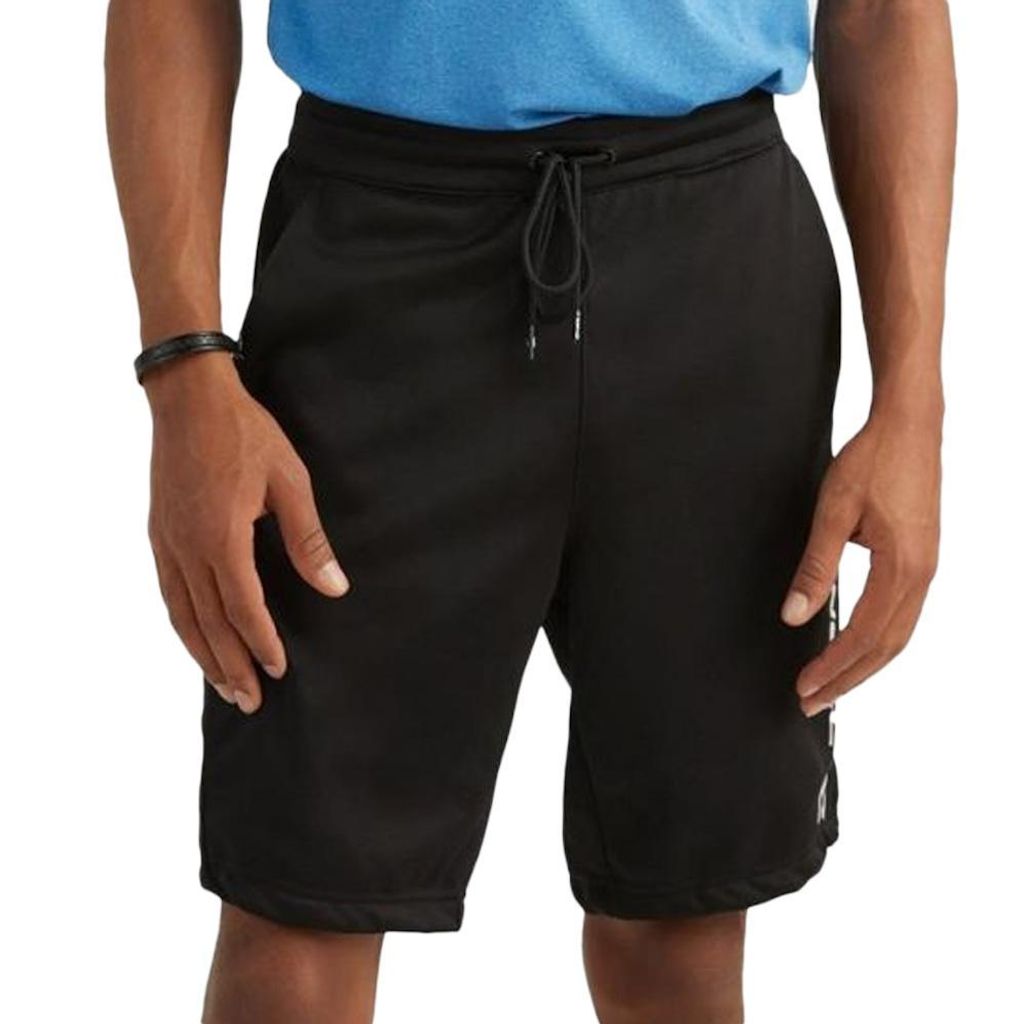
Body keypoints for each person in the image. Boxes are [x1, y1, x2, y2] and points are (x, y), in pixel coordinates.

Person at [105, 1, 955, 1020]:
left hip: (716, 271)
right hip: (380, 262)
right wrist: (183, 367)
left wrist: (913, 405)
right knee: (295, 915)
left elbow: (882, 13)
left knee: (685, 920)